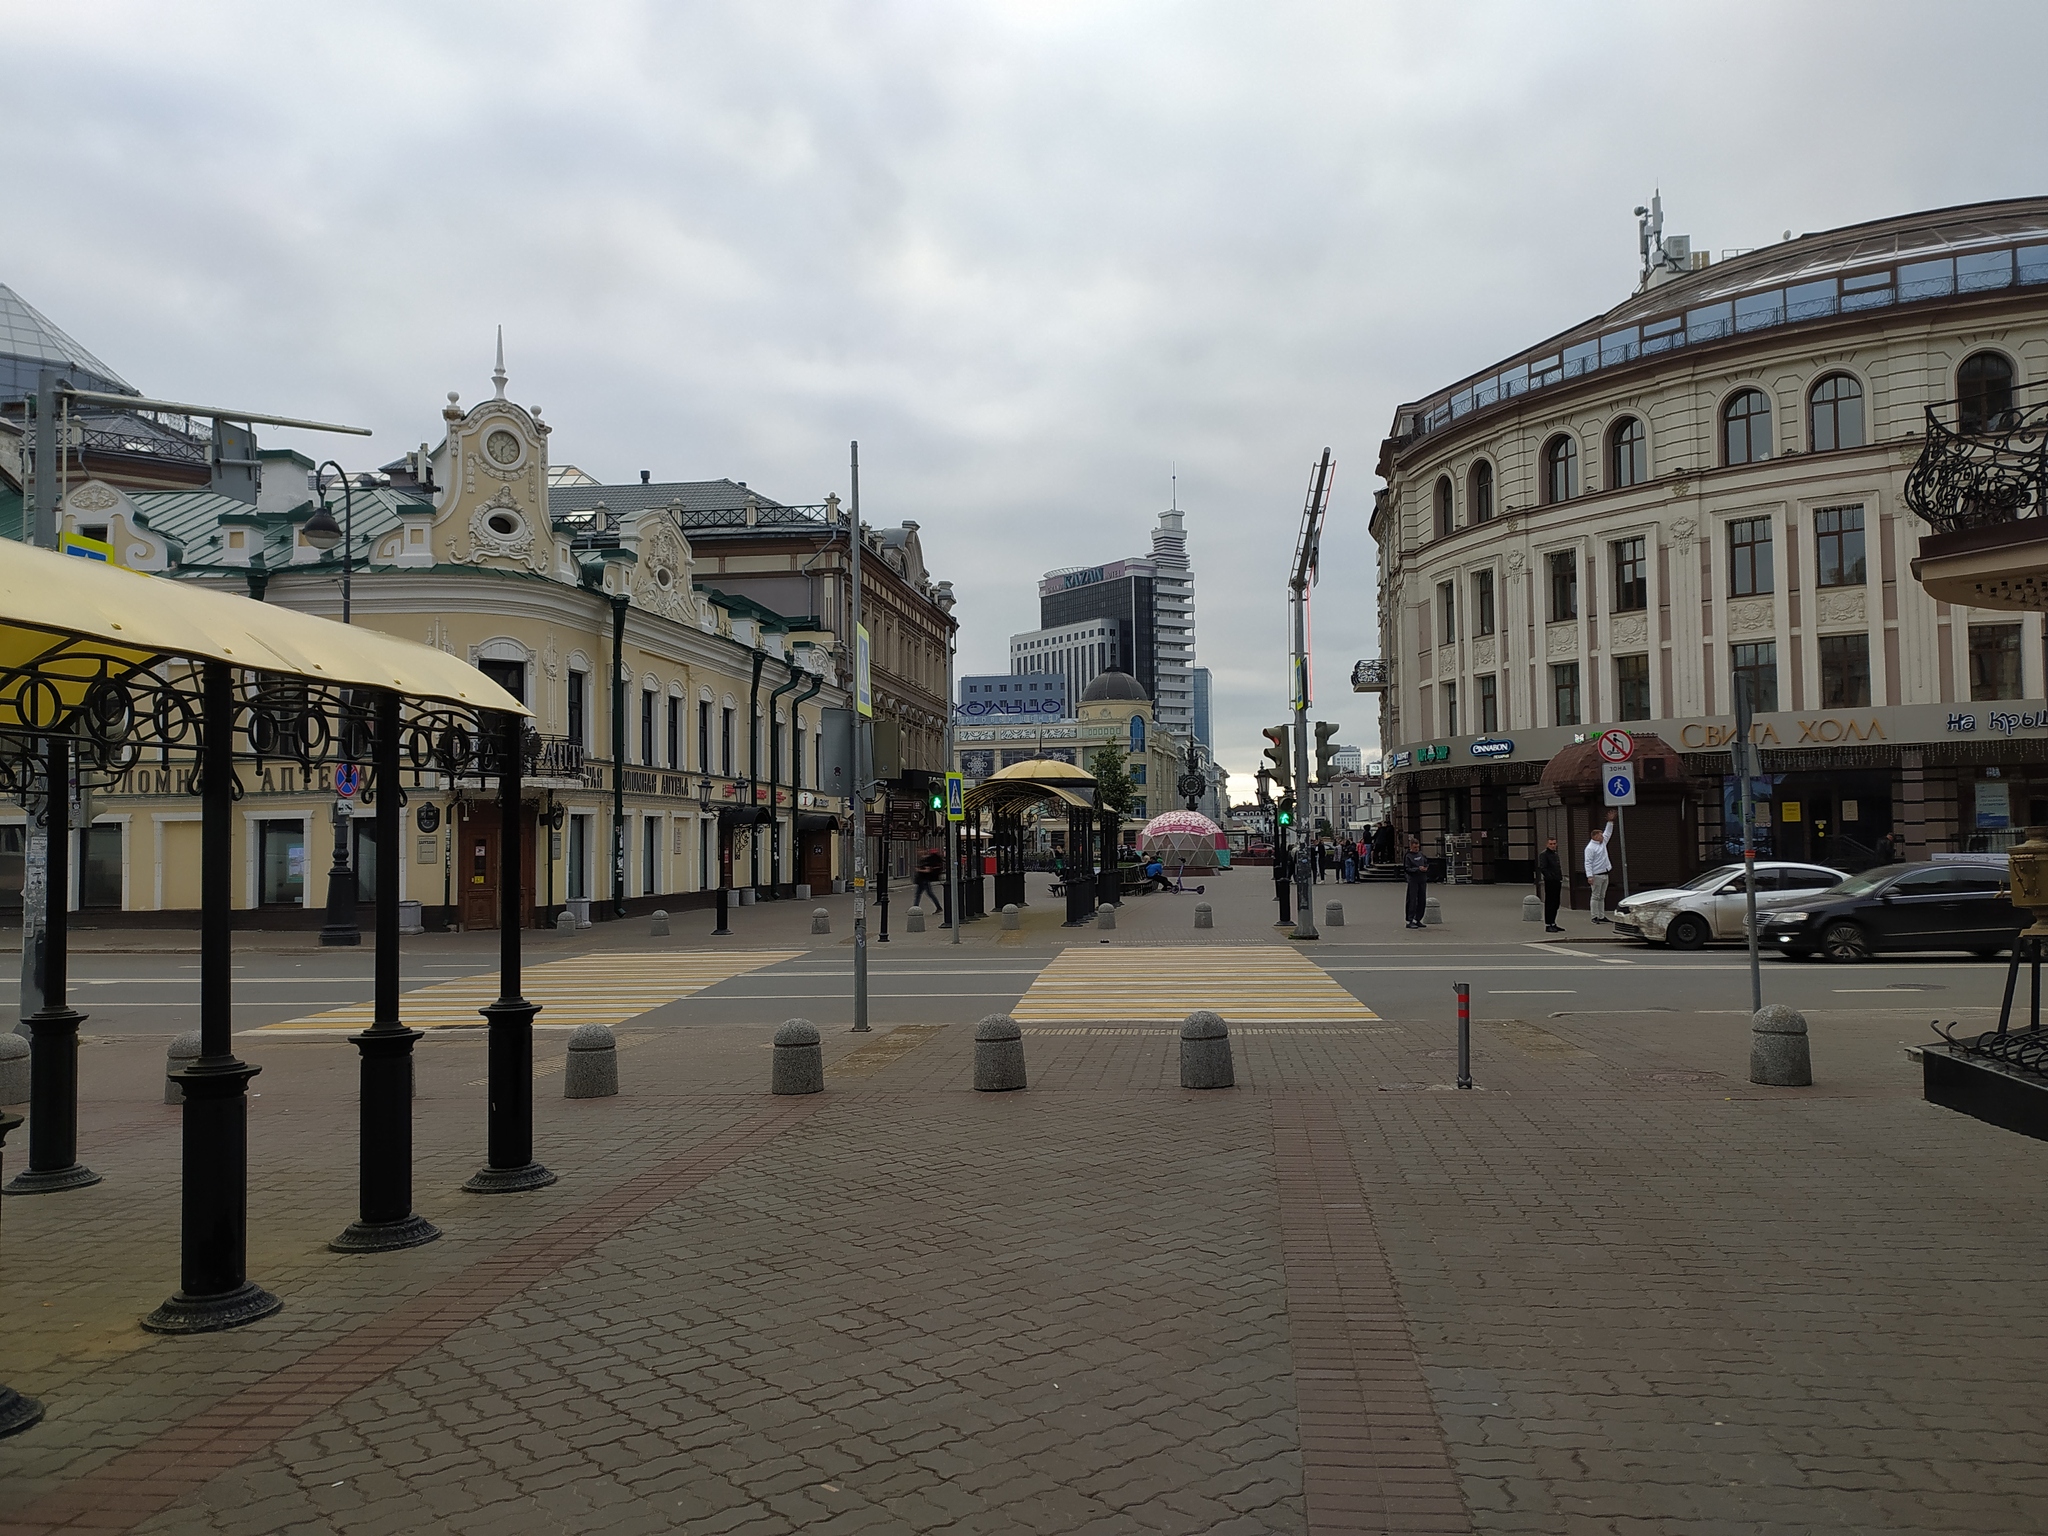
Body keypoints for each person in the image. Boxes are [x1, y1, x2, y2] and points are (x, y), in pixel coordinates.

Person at [1583, 811, 1616, 924]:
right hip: (1597, 874)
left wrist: (1610, 821)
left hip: (1605, 873)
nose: (1602, 836)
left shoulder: (1602, 843)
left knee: (1602, 896)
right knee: (1595, 896)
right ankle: (1594, 916)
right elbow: (1588, 862)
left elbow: (1608, 833)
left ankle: (1602, 915)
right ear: (1595, 836)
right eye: (1600, 835)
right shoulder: (1590, 848)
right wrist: (1589, 876)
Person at [1536, 835, 1564, 933]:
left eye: (1554, 844)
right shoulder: (1544, 854)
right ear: (1547, 844)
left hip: (1557, 880)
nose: (1553, 845)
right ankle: (1548, 924)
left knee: (1556, 902)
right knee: (1550, 903)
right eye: (1551, 844)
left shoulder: (1555, 854)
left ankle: (1553, 922)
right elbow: (1543, 868)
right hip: (1550, 882)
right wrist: (1550, 877)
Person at [1402, 836, 1429, 929]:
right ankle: (1410, 920)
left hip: (1422, 879)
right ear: (1411, 847)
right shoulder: (1408, 856)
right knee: (1412, 900)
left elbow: (1426, 862)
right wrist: (1417, 869)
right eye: (1414, 847)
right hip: (1413, 880)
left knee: (1422, 900)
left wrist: (1426, 868)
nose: (1416, 849)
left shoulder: (1421, 855)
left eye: (1418, 847)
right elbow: (1407, 868)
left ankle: (1418, 919)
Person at [912, 846, 944, 913]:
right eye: (918, 851)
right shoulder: (922, 859)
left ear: (924, 851)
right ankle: (915, 908)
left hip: (925, 880)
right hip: (921, 880)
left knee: (929, 894)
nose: (918, 852)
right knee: (919, 894)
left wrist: (919, 869)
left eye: (920, 850)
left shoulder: (927, 860)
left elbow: (928, 870)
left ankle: (938, 907)